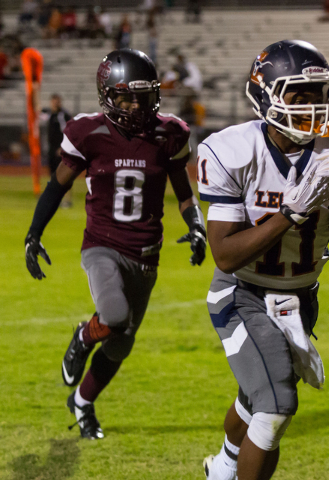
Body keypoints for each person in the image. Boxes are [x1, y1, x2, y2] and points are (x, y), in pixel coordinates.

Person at [197, 40, 329, 480]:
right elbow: (223, 255)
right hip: (242, 292)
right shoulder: (230, 150)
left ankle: (222, 466)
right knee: (277, 403)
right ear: (265, 96)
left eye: (320, 94)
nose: (315, 107)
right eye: (300, 96)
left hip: (300, 298)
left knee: (254, 394)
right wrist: (290, 213)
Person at [24, 49, 207, 440]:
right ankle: (82, 336)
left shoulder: (169, 133)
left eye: (143, 96)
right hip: (102, 245)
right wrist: (33, 233)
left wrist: (197, 226)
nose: (136, 104)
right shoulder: (88, 132)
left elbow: (184, 192)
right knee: (114, 313)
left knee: (121, 345)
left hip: (146, 253)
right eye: (126, 96)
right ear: (107, 94)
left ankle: (83, 402)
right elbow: (58, 185)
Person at [41, 93, 72, 207]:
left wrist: (63, 147)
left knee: (64, 176)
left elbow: (69, 131)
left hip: (61, 149)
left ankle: (67, 200)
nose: (55, 103)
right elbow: (36, 112)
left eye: (57, 101)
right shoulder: (48, 114)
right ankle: (54, 199)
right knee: (52, 175)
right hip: (51, 149)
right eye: (54, 101)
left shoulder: (63, 115)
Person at [20, 44, 43, 196]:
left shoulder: (32, 86)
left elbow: (35, 103)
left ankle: (37, 184)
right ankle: (36, 183)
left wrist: (37, 106)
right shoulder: (33, 85)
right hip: (33, 117)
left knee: (35, 149)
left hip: (33, 118)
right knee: (34, 149)